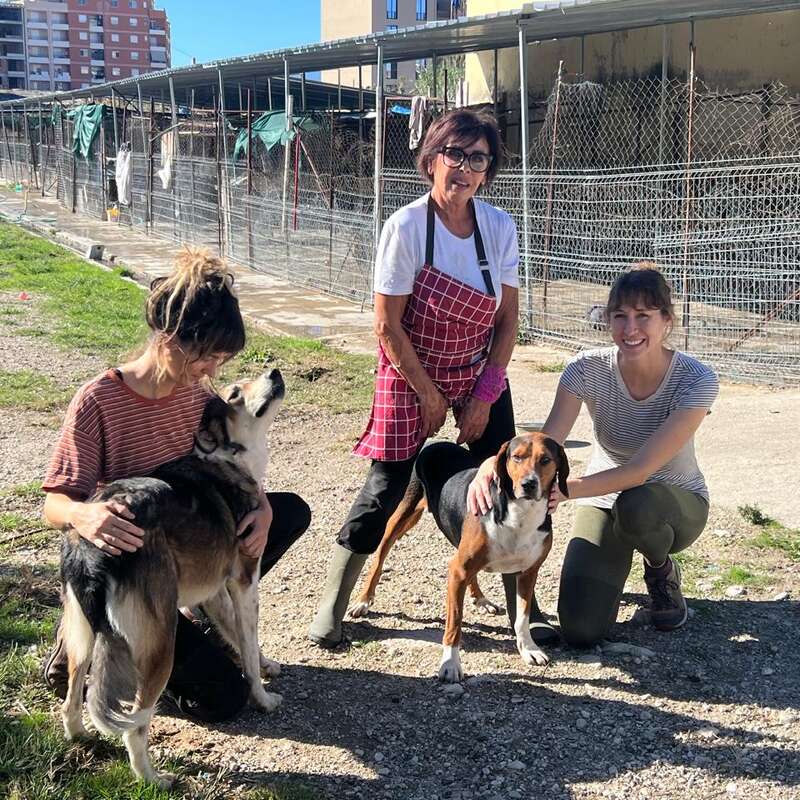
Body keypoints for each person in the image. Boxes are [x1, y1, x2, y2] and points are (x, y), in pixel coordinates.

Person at [42, 247, 311, 721]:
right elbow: (55, 505)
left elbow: (229, 470)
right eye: (206, 356)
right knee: (224, 700)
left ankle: (183, 615)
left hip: (176, 546)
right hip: (130, 564)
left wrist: (263, 508)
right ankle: (89, 638)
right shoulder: (98, 400)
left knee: (287, 512)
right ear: (169, 338)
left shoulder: (197, 398)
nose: (211, 371)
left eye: (220, 361)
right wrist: (84, 514)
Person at [308, 108, 536, 649]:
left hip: (475, 368)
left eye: (477, 159)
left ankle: (519, 609)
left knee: (507, 472)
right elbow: (386, 324)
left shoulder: (498, 226)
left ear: (488, 170)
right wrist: (427, 393)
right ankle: (334, 604)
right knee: (386, 486)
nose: (465, 168)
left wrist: (483, 395)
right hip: (408, 366)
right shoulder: (407, 226)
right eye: (454, 154)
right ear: (431, 159)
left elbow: (507, 321)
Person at [468, 263, 718, 646]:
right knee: (583, 630)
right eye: (620, 316)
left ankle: (660, 569)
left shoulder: (696, 379)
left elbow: (640, 470)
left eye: (644, 316)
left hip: (672, 502)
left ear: (667, 320)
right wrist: (495, 462)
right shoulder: (585, 368)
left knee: (638, 506)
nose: (630, 329)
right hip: (605, 498)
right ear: (608, 319)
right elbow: (546, 442)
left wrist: (564, 490)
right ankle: (541, 609)